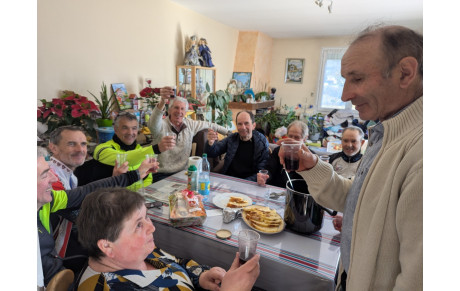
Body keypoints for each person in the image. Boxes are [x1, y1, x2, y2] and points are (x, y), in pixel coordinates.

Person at [279, 25, 422, 290]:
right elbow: (362, 199)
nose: (345, 95)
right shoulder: (386, 132)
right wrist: (312, 167)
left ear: (405, 73)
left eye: (356, 79)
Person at [76, 188, 260, 290]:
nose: (152, 227)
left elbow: (177, 262)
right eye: (139, 225)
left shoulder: (134, 255)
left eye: (146, 217)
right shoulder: (109, 287)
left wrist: (201, 276)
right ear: (107, 246)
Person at [37, 146, 158, 286]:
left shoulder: (46, 200)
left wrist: (134, 175)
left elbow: (86, 192)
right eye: (45, 174)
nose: (54, 178)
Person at [147, 91, 230, 182]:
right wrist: (162, 101)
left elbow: (211, 125)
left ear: (186, 112)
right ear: (169, 110)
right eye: (176, 108)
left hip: (183, 173)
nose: (179, 112)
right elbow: (153, 123)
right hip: (161, 174)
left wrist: (228, 133)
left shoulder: (190, 124)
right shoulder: (161, 125)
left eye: (182, 109)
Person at [94, 111, 175, 189]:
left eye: (134, 128)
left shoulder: (140, 150)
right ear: (115, 129)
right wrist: (156, 148)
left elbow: (148, 178)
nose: (130, 132)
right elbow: (126, 159)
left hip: (139, 198)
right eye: (125, 128)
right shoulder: (102, 149)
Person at [205, 110, 269, 181]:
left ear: (253, 125)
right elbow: (212, 153)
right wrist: (210, 143)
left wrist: (242, 183)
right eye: (239, 124)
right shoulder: (232, 138)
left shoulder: (261, 143)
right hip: (229, 181)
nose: (243, 127)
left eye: (246, 123)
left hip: (249, 184)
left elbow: (261, 171)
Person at [257, 120, 311, 188]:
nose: (292, 140)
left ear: (305, 138)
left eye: (297, 137)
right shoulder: (278, 151)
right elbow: (269, 169)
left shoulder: (310, 157)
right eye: (290, 136)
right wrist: (264, 177)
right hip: (277, 192)